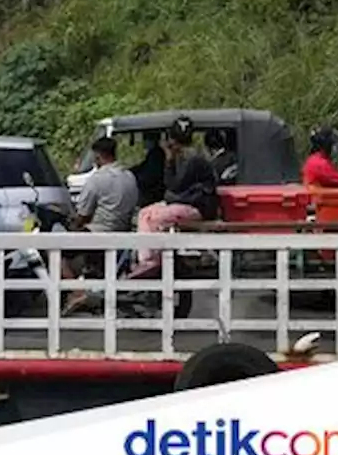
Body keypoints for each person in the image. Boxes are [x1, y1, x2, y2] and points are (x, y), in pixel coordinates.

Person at [127, 117, 219, 280]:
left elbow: (174, 185)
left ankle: (153, 262)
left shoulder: (193, 158)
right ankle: (145, 260)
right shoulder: (185, 156)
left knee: (155, 219)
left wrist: (168, 161)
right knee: (144, 213)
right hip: (182, 202)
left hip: (197, 206)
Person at [61, 137, 139, 313]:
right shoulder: (129, 176)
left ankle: (77, 291)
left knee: (56, 252)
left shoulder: (97, 179)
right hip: (123, 232)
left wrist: (73, 223)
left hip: (99, 233)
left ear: (97, 156)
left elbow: (83, 215)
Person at [131, 131, 166, 208]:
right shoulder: (152, 154)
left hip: (153, 192)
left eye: (146, 139)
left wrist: (136, 179)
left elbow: (150, 175)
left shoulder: (156, 155)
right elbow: (141, 166)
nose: (144, 142)